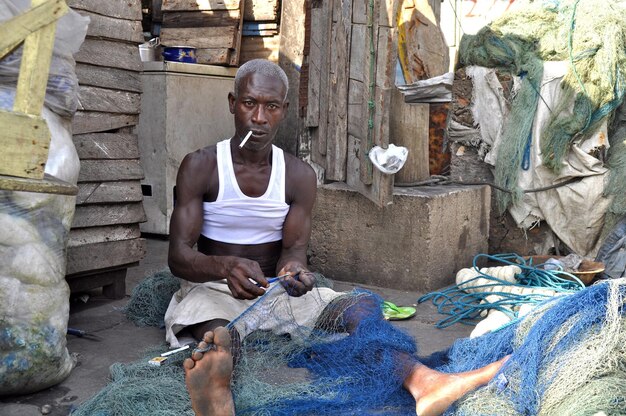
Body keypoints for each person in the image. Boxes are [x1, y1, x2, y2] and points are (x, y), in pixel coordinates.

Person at [167, 59, 507, 416]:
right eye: (249, 103)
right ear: (232, 103)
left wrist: (294, 272)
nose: (259, 118)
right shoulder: (202, 165)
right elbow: (178, 255)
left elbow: (293, 252)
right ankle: (217, 389)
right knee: (219, 334)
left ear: (284, 110)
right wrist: (226, 267)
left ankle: (424, 382)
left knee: (358, 308)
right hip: (212, 288)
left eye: (271, 107)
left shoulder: (297, 175)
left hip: (273, 291)